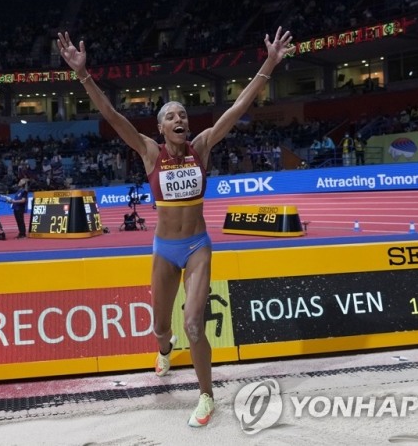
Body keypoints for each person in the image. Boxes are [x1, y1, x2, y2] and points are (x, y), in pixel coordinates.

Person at [57, 27, 295, 428]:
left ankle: (206, 396)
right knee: (161, 327)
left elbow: (238, 106)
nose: (179, 119)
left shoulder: (202, 146)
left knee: (194, 325)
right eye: (171, 116)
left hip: (198, 246)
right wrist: (82, 74)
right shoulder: (149, 152)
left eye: (182, 114)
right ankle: (164, 350)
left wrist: (270, 63)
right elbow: (112, 116)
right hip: (164, 250)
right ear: (161, 128)